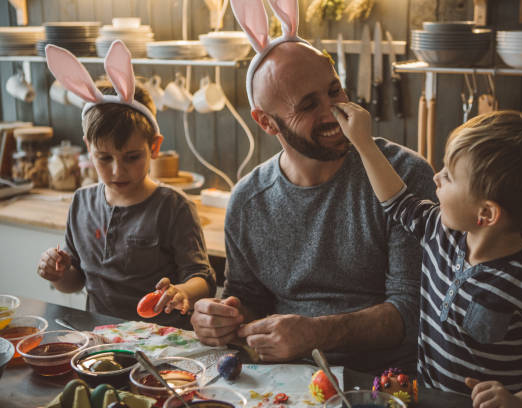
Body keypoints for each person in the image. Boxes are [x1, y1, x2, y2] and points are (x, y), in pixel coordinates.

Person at [190, 0, 436, 373]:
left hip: (380, 381)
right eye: (308, 106)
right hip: (282, 377)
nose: (334, 111)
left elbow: (412, 313)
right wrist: (224, 316)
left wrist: (315, 333)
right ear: (267, 123)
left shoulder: (404, 176)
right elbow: (250, 297)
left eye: (334, 90)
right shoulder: (247, 200)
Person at [333, 104, 522, 406]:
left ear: (486, 213)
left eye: (449, 176)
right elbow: (397, 200)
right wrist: (363, 143)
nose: (436, 178)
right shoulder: (439, 232)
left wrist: (521, 402)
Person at [36, 41, 215, 329]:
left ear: (154, 147)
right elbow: (75, 281)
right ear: (88, 148)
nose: (117, 170)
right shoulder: (81, 203)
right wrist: (57, 274)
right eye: (104, 158)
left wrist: (181, 291)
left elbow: (204, 280)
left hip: (162, 340)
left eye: (132, 157)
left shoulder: (173, 207)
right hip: (100, 337)